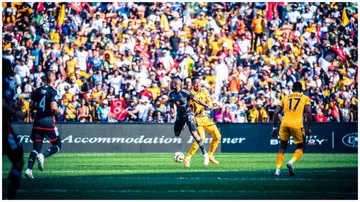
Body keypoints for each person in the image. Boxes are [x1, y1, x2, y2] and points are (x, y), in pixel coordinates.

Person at [168, 78, 217, 166]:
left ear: (176, 84)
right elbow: (171, 105)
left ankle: (205, 155)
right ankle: (182, 125)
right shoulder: (171, 94)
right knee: (176, 134)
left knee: (195, 134)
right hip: (180, 116)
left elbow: (198, 100)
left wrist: (208, 106)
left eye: (172, 83)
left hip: (189, 114)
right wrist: (172, 112)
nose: (170, 84)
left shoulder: (185, 92)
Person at [25, 71, 63, 179]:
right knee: (58, 145)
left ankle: (29, 170)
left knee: (36, 147)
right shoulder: (53, 91)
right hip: (48, 122)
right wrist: (59, 110)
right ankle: (43, 156)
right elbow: (53, 106)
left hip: (37, 121)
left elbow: (31, 105)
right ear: (53, 79)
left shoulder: (37, 90)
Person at [272, 81, 312, 176]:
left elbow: (275, 112)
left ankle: (277, 170)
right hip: (297, 124)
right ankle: (291, 162)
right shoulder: (305, 98)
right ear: (301, 90)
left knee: (282, 147)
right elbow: (309, 112)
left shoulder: (285, 97)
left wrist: (274, 127)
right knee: (301, 147)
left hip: (284, 124)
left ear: (292, 89)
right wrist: (309, 127)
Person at [183, 78, 222, 167]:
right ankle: (188, 157)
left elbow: (209, 100)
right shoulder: (191, 93)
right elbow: (198, 102)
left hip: (204, 116)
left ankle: (210, 155)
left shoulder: (204, 90)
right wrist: (209, 105)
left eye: (198, 83)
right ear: (193, 84)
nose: (197, 84)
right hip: (196, 117)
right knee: (201, 138)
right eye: (195, 83)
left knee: (217, 136)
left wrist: (213, 104)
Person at [3, 58, 25, 199]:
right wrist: (16, 112)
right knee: (18, 159)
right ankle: (10, 195)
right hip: (4, 128)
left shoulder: (7, 83)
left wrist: (15, 106)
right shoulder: (3, 83)